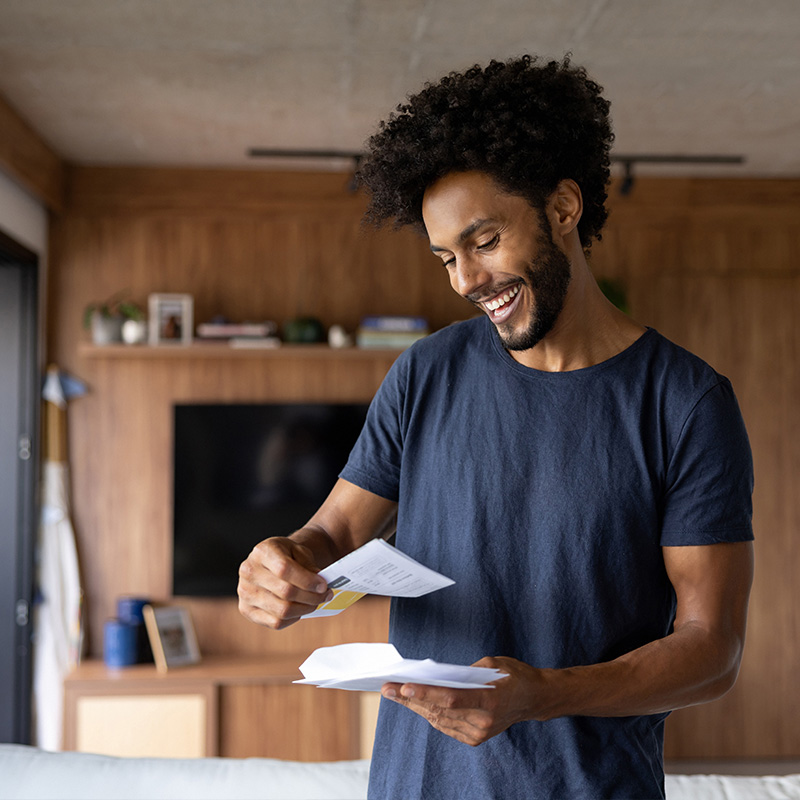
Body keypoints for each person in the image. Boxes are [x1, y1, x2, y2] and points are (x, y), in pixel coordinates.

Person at [238, 55, 754, 800]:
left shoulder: (686, 402)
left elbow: (713, 651)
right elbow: (335, 535)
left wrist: (540, 692)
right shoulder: (424, 374)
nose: (466, 281)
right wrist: (281, 562)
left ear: (564, 208)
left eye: (483, 242)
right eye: (447, 257)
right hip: (415, 785)